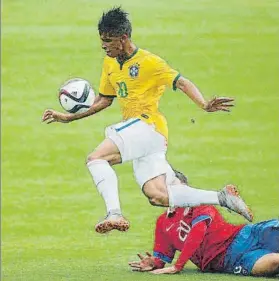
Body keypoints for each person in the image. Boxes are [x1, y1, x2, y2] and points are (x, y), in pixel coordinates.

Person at [42, 7, 252, 234]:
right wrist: (68, 118)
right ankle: (222, 197)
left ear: (123, 39)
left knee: (96, 159)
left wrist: (203, 104)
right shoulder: (110, 63)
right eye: (101, 40)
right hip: (142, 137)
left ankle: (114, 213)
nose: (104, 46)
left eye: (108, 41)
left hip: (147, 125)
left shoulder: (150, 62)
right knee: (158, 195)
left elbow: (182, 82)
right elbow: (104, 100)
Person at [128, 180, 279, 277]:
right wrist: (153, 262)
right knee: (274, 262)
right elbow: (161, 259)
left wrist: (178, 266)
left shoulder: (199, 203)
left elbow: (198, 231)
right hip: (228, 260)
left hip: (247, 234)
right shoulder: (162, 223)